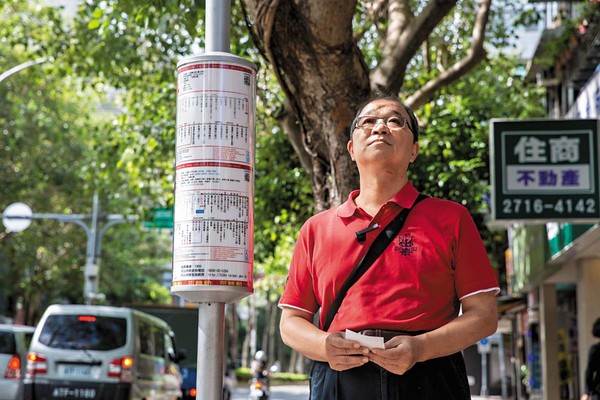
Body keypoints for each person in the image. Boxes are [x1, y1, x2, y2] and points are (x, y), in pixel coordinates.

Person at [278, 94, 499, 399]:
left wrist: (421, 348)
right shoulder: (316, 229)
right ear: (351, 149)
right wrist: (323, 346)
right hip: (341, 379)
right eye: (367, 122)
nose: (380, 127)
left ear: (414, 151)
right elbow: (290, 322)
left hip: (430, 375)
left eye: (395, 121)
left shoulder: (452, 218)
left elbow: (484, 315)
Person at [582, 318, 600, 400]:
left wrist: (587, 392)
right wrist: (586, 392)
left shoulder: (595, 349)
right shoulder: (595, 350)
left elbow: (589, 371)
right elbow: (590, 371)